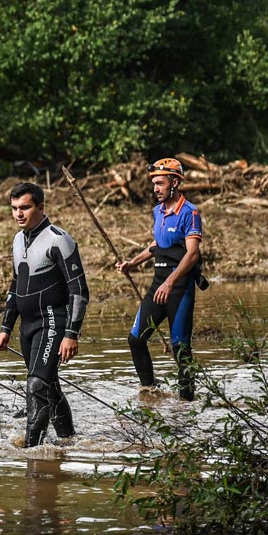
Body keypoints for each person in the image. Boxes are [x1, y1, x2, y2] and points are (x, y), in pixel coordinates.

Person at [0, 182, 88, 448]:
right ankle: (68, 441)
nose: (18, 214)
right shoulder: (17, 239)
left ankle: (31, 450)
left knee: (36, 385)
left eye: (24, 207)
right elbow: (15, 286)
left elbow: (79, 290)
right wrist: (5, 327)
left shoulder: (59, 239)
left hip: (52, 323)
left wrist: (71, 334)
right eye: (14, 208)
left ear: (41, 207)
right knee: (48, 385)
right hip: (28, 327)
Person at [115, 158, 203, 400]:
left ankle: (186, 402)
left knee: (180, 348)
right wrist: (133, 262)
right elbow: (158, 243)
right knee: (135, 339)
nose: (155, 188)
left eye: (160, 183)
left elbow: (192, 253)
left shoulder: (189, 212)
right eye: (153, 183)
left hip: (179, 288)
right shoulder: (158, 211)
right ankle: (149, 391)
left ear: (174, 183)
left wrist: (170, 282)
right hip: (158, 285)